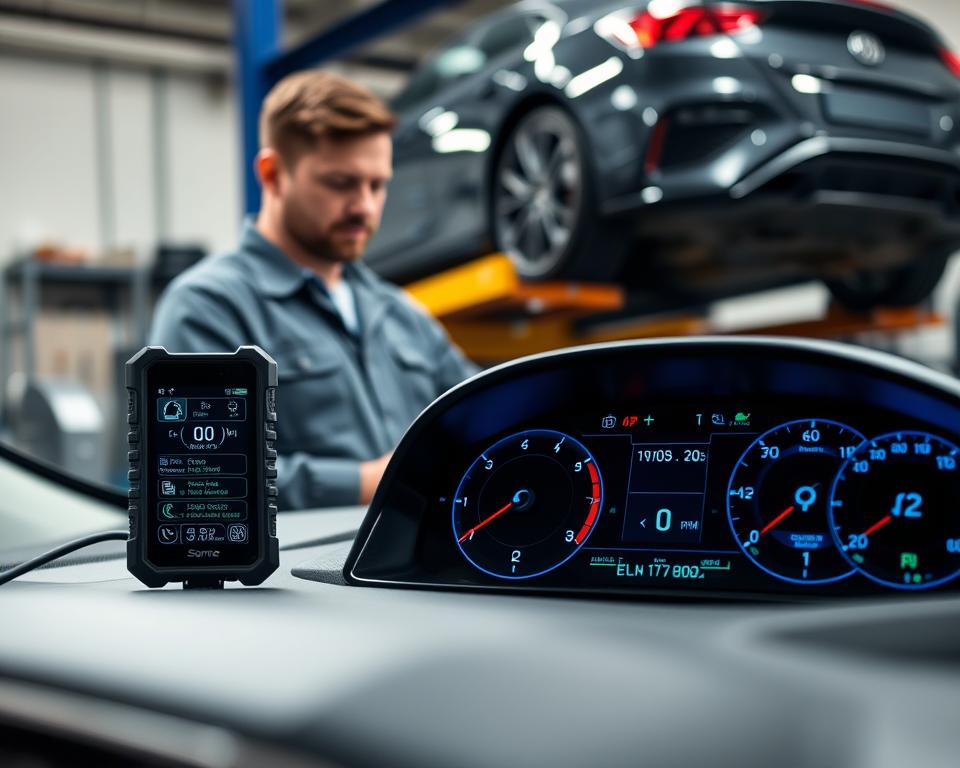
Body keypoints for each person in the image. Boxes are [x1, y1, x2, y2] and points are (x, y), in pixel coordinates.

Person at [149, 71, 477, 509]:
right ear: (273, 174)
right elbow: (197, 475)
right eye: (340, 183)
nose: (364, 205)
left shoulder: (401, 313)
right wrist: (367, 482)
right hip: (297, 575)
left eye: (377, 184)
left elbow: (481, 409)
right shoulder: (208, 307)